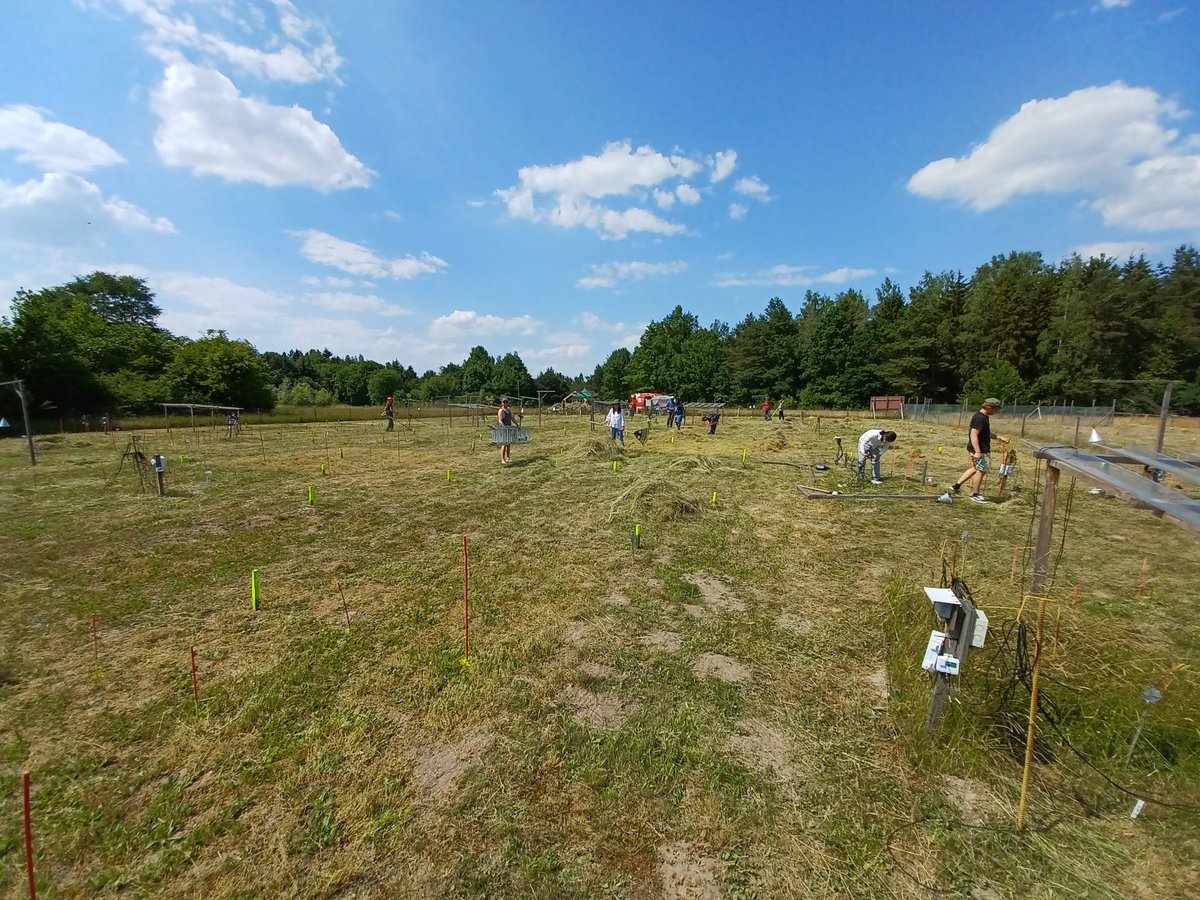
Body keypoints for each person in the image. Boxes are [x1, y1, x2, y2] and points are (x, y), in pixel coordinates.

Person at [943, 398, 1009, 503]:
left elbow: (985, 433)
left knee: (975, 468)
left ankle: (956, 486)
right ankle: (975, 494)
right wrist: (978, 451)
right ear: (988, 407)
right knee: (981, 471)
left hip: (979, 449)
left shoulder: (983, 417)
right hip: (980, 449)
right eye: (995, 409)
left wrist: (999, 437)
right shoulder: (980, 418)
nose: (996, 411)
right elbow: (974, 434)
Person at [497, 397, 515, 464]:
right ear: (502, 403)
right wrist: (504, 426)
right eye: (504, 402)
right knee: (504, 444)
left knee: (508, 443)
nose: (505, 403)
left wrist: (517, 425)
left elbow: (512, 418)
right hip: (504, 429)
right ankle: (502, 459)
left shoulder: (509, 410)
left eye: (506, 402)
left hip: (509, 428)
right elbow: (500, 420)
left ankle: (508, 457)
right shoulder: (501, 411)